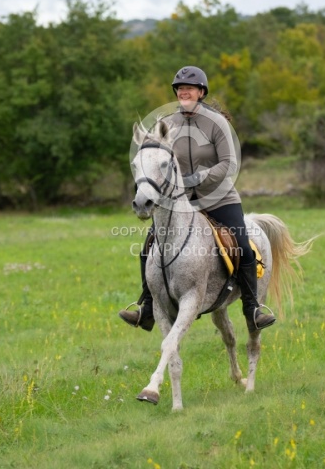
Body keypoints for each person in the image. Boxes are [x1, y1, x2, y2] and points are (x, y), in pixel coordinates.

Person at [118, 66, 276, 332]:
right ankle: (146, 307)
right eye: (179, 89)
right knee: (148, 248)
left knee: (243, 245)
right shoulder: (169, 124)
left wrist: (196, 179)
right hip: (182, 202)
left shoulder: (217, 124)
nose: (183, 92)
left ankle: (252, 308)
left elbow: (228, 163)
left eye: (189, 89)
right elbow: (158, 160)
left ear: (201, 93)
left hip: (220, 198)